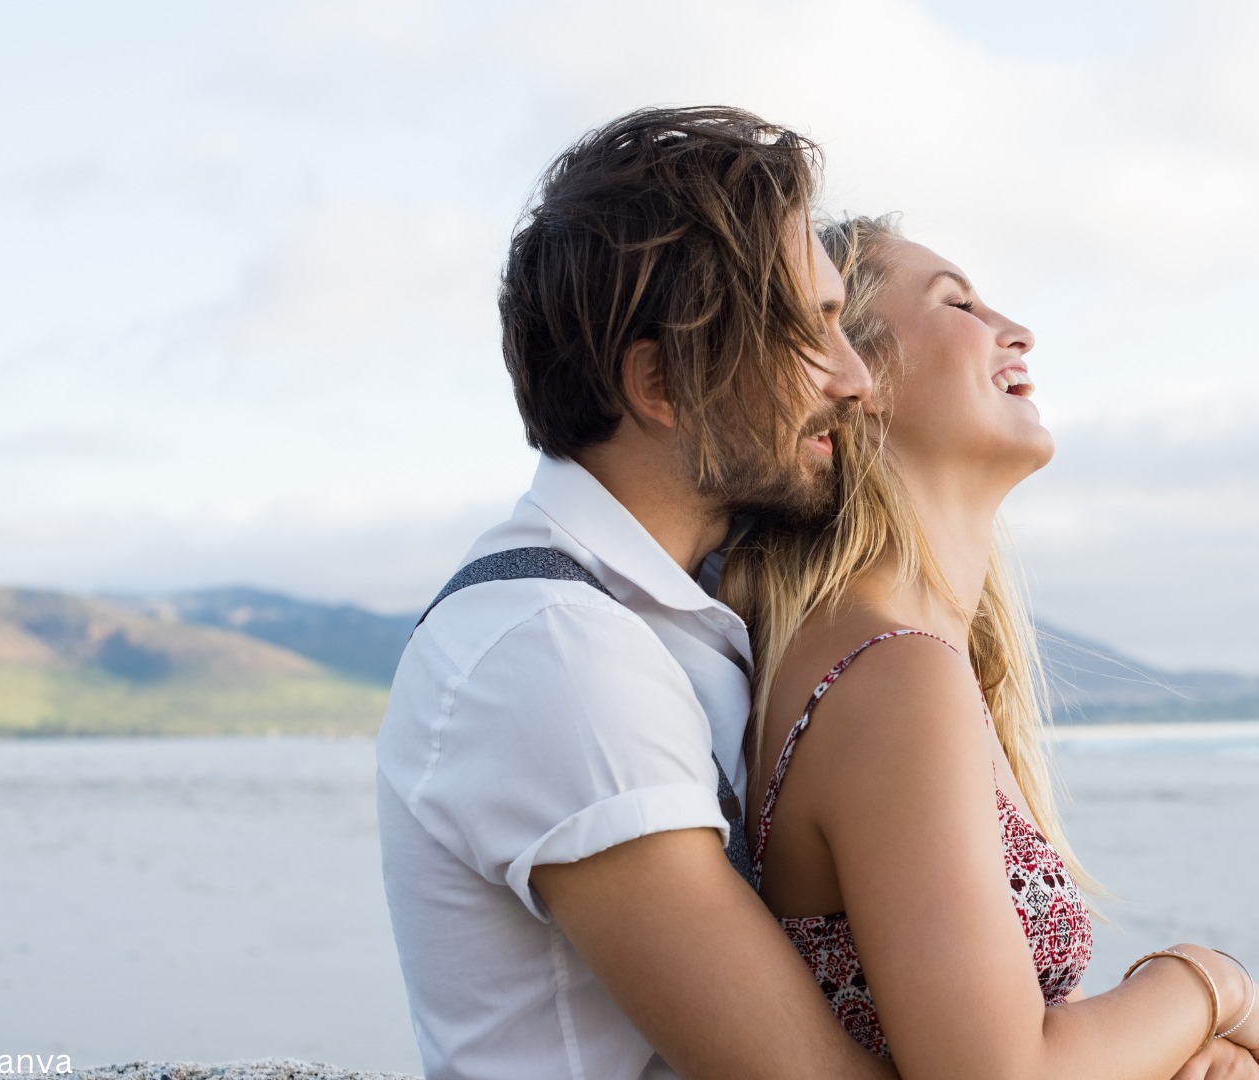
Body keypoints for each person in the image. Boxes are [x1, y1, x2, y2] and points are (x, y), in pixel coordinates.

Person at [376, 106, 902, 1080]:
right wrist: (1189, 1002)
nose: (856, 379)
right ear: (662, 383)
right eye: (812, 332)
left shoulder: (670, 612)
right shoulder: (556, 655)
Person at [720, 216, 1259, 1080]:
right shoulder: (893, 674)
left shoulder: (901, 661)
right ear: (856, 376)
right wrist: (1210, 984)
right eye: (959, 304)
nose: (1015, 330)